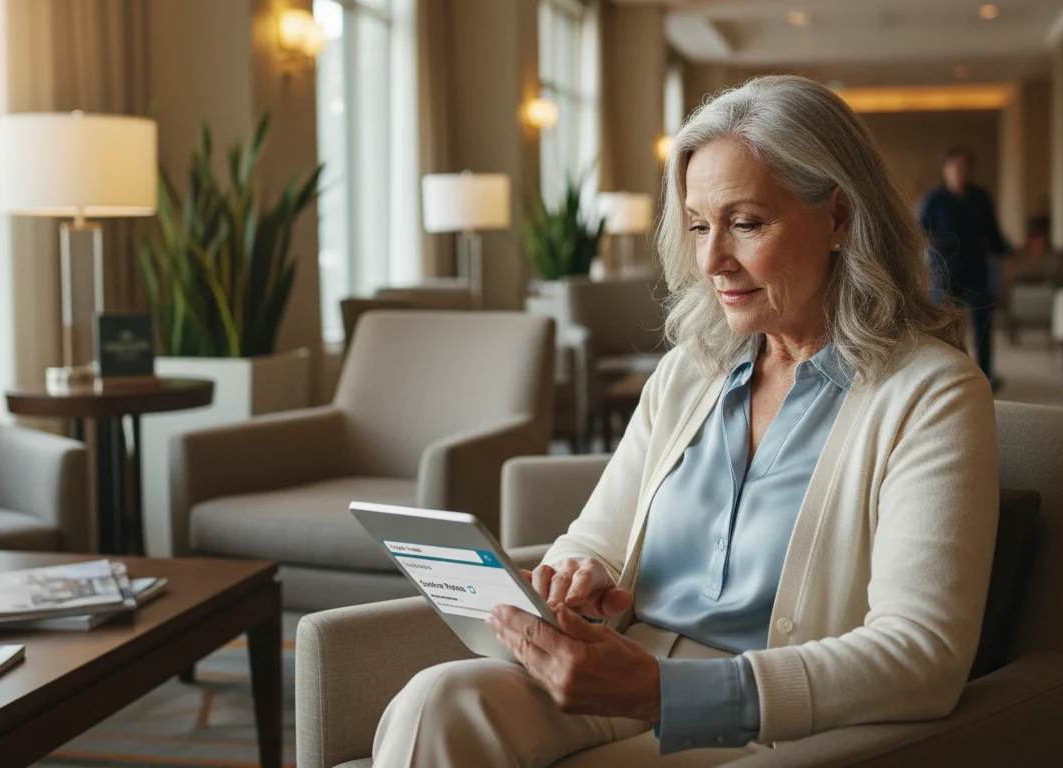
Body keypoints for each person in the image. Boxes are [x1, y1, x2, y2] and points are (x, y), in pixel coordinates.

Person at [372, 75, 1000, 767]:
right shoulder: (690, 374)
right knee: (437, 701)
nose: (711, 261)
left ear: (839, 218)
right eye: (700, 226)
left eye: (746, 223)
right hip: (627, 671)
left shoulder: (931, 394)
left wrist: (667, 694)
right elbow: (595, 541)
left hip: (767, 725)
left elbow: (922, 655)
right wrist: (574, 578)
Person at [918, 146, 1011, 389]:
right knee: (944, 325)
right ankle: (946, 375)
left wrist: (1005, 262)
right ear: (946, 171)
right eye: (956, 167)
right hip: (944, 270)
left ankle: (986, 374)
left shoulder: (981, 197)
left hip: (976, 269)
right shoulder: (935, 199)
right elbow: (919, 233)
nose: (961, 172)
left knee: (983, 321)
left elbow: (994, 235)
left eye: (965, 167)